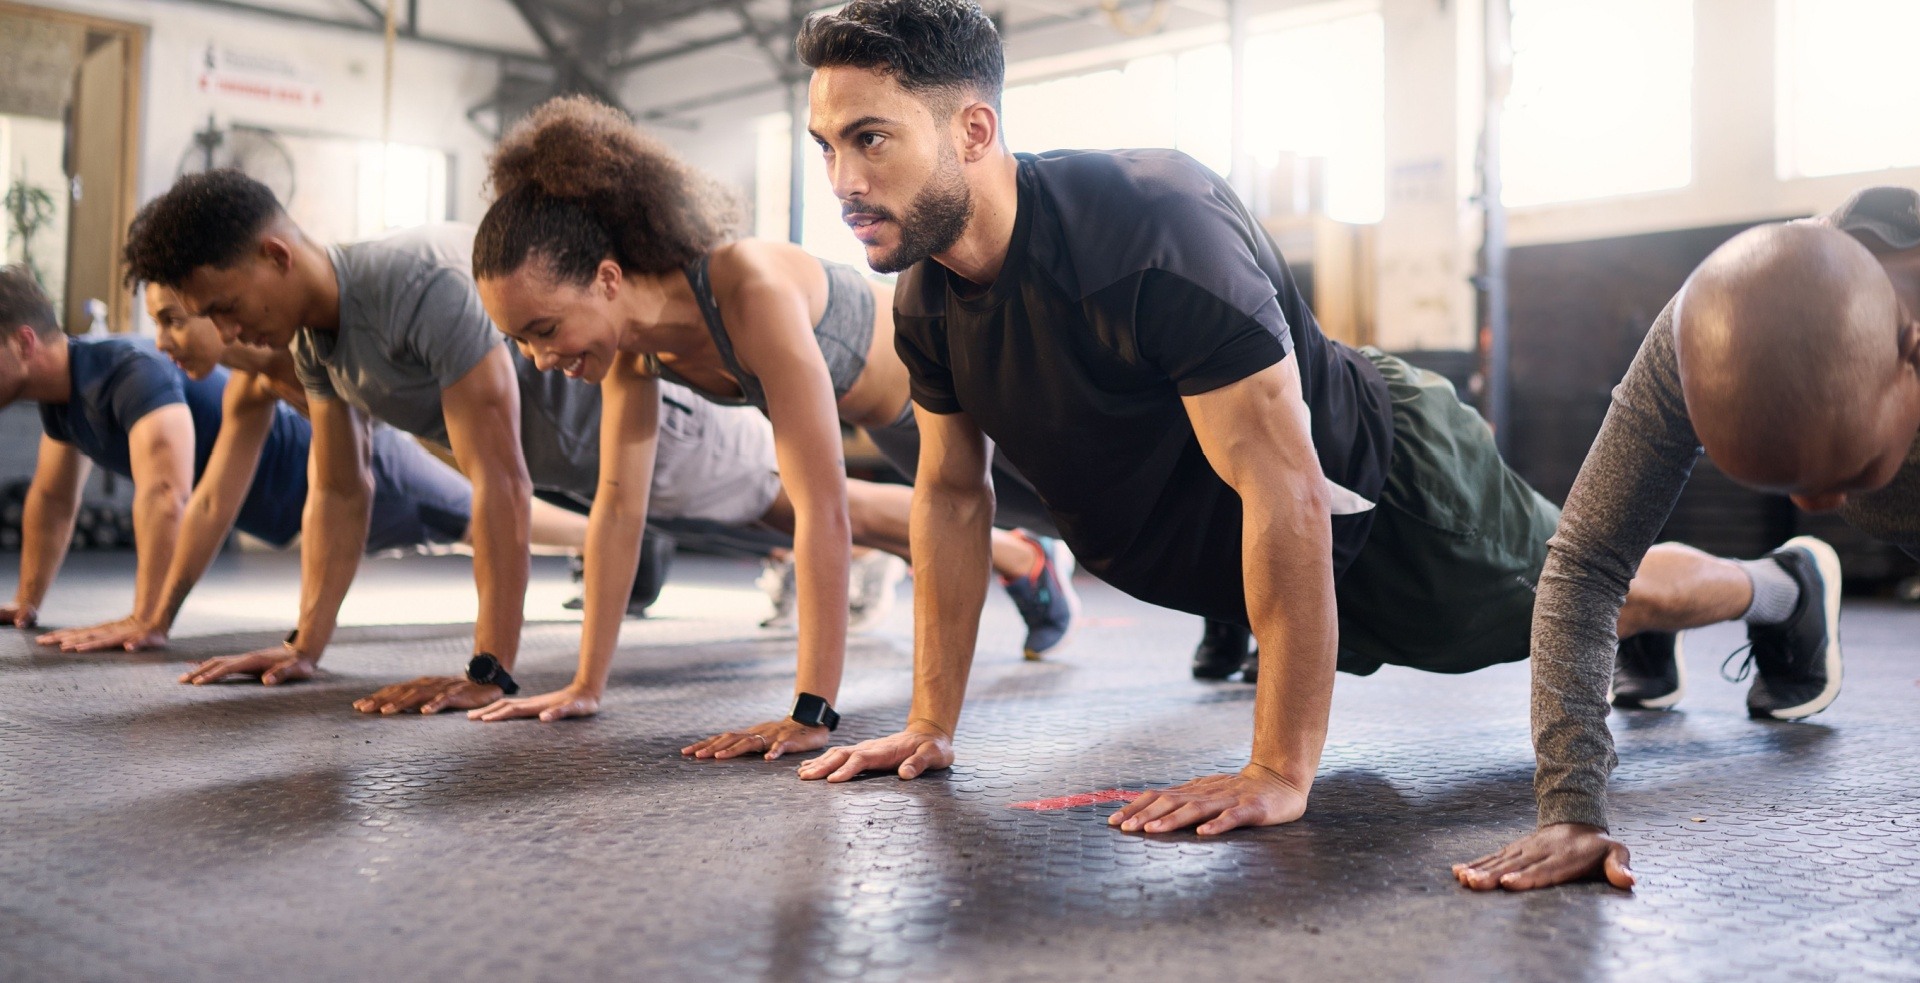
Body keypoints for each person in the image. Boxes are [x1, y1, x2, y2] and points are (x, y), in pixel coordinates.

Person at [784, 0, 1825, 846]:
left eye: (871, 138)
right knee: (1595, 611)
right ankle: (1646, 638)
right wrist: (930, 722)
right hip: (1272, 548)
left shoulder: (1151, 232)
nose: (842, 181)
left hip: (1394, 504)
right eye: (827, 144)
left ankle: (1784, 585)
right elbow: (952, 495)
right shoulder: (927, 302)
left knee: (1593, 595)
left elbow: (1288, 486)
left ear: (973, 129)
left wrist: (1279, 767)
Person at [463, 95, 1076, 759]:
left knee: (1108, 520)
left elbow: (820, 508)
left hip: (975, 384)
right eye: (519, 341)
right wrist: (584, 685)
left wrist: (810, 710)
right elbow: (617, 508)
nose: (540, 360)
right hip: (905, 430)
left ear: (608, 278)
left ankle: (1103, 576)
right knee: (1047, 519)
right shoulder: (635, 353)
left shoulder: (746, 286)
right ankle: (1031, 559)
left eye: (545, 330)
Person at [117, 176, 786, 743]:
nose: (228, 333)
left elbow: (498, 481)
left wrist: (488, 668)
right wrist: (304, 647)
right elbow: (340, 491)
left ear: (275, 255)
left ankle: (877, 551)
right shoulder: (313, 347)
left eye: (227, 307)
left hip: (661, 434)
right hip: (583, 469)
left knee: (815, 510)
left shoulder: (417, 282)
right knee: (786, 520)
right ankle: (868, 549)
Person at [1452, 190, 1920, 893]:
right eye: (1786, 484)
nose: (1816, 505)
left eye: (1847, 472)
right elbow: (1584, 566)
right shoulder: (1699, 335)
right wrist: (1571, 806)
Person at [0, 266, 572, 647]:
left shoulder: (131, 370)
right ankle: (619, 536)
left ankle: (620, 538)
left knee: (489, 518)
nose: (164, 339)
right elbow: (65, 501)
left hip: (363, 465)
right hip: (307, 494)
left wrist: (145, 617)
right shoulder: (75, 400)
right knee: (481, 517)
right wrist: (39, 605)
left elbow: (166, 492)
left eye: (173, 319)